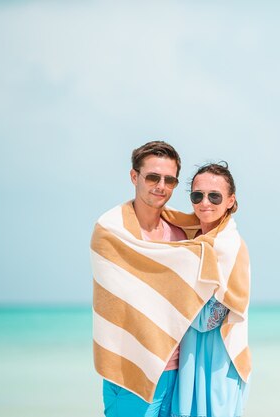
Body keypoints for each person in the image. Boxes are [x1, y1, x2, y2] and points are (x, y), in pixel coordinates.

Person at [95, 140, 186, 417]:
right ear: (135, 177)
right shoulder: (111, 231)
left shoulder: (181, 236)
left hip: (178, 369)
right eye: (153, 177)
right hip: (131, 371)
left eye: (169, 180)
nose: (161, 186)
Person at [172, 162, 250, 417]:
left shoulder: (228, 246)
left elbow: (209, 320)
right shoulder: (193, 241)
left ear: (230, 200)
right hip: (192, 353)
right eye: (198, 195)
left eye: (214, 195)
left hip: (217, 359)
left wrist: (168, 299)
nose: (205, 202)